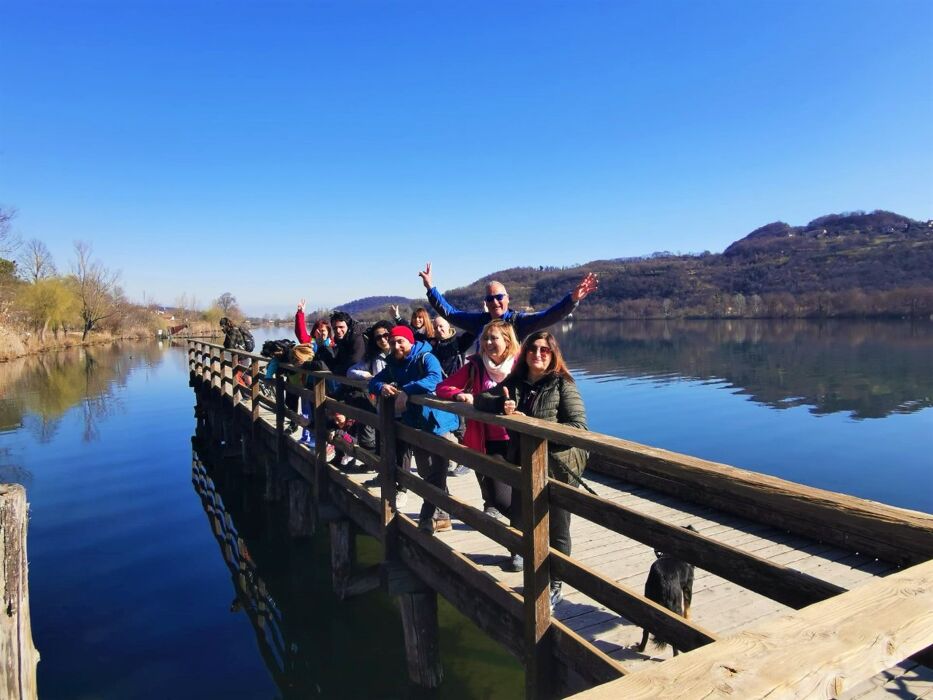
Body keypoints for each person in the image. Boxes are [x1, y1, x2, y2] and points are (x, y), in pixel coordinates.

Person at [475, 331, 589, 606]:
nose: (537, 354)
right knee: (526, 520)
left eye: (544, 350)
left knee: (557, 529)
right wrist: (502, 404)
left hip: (559, 468)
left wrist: (532, 425)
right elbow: (481, 399)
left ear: (553, 355)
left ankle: (555, 584)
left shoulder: (563, 385)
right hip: (525, 465)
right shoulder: (517, 382)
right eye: (532, 349)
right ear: (524, 353)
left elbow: (579, 428)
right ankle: (535, 573)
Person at [369, 326, 460, 534]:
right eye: (393, 343)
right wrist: (381, 387)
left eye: (401, 341)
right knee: (426, 470)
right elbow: (374, 381)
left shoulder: (426, 357)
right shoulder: (393, 362)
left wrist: (406, 390)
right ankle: (443, 515)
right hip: (415, 422)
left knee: (436, 470)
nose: (396, 346)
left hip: (437, 421)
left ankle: (428, 516)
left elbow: (435, 379)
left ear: (410, 341)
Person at [436, 319, 519, 520]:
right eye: (485, 339)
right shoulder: (476, 365)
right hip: (488, 441)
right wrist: (458, 395)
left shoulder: (520, 365)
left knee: (522, 493)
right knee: (499, 498)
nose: (488, 343)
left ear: (508, 341)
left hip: (519, 440)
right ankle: (527, 531)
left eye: (494, 338)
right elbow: (442, 387)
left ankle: (520, 547)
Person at [418, 262, 598, 341]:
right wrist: (430, 288)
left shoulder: (518, 322)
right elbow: (450, 313)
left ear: (507, 299)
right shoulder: (479, 322)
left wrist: (572, 299)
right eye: (490, 298)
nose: (495, 302)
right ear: (486, 303)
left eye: (499, 297)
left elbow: (549, 316)